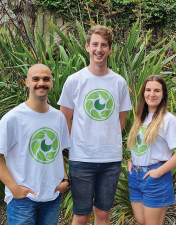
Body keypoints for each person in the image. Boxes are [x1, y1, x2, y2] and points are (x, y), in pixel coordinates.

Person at [58, 25, 132, 225]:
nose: (99, 49)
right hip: (82, 159)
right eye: (95, 44)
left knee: (102, 214)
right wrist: (79, 143)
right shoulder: (74, 81)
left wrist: (106, 139)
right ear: (87, 47)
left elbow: (121, 121)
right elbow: (64, 120)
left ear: (110, 50)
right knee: (81, 215)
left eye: (104, 45)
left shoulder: (119, 82)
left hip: (111, 159)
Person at [0, 64, 70, 225]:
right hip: (23, 200)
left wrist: (65, 179)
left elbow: (57, 151)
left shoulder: (58, 117)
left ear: (51, 83)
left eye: (46, 79)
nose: (41, 83)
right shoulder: (13, 118)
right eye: (35, 79)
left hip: (52, 196)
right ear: (26, 82)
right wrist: (15, 189)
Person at [126, 75, 176, 225]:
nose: (152, 94)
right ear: (143, 93)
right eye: (148, 90)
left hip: (154, 177)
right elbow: (141, 146)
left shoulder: (168, 120)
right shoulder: (141, 117)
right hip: (136, 175)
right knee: (140, 221)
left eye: (157, 90)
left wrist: (159, 172)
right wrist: (131, 160)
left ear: (163, 94)